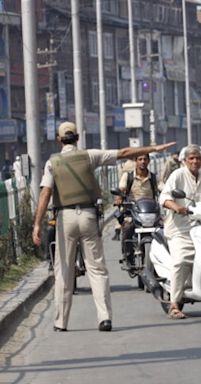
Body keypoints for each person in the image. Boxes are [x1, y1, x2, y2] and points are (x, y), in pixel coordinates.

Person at [32, 121, 175, 332]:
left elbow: (45, 193)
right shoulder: (90, 155)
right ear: (78, 137)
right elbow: (125, 152)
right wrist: (154, 148)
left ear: (59, 139)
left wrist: (37, 224)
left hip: (65, 218)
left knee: (64, 271)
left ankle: (60, 322)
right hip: (89, 216)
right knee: (97, 269)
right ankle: (105, 318)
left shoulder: (52, 163)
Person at [159, 144, 201, 319]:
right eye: (191, 158)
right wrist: (176, 207)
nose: (195, 161)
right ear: (184, 161)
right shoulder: (177, 175)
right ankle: (174, 304)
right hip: (180, 228)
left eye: (198, 158)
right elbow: (164, 197)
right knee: (180, 261)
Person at [117, 153, 158, 268]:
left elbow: (162, 188)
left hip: (150, 212)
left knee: (164, 231)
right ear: (136, 161)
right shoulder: (128, 176)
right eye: (140, 159)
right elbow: (121, 188)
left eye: (145, 159)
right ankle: (128, 255)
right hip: (132, 211)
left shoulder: (153, 177)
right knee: (127, 227)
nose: (143, 162)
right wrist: (120, 197)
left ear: (149, 161)